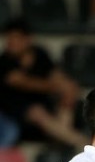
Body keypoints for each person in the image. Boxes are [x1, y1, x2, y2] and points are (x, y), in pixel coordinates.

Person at [0, 18, 88, 149]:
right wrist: (55, 86)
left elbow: (55, 74)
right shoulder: (4, 61)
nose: (12, 42)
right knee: (37, 112)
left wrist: (66, 86)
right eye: (9, 38)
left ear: (27, 39)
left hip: (45, 109)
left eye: (16, 38)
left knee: (68, 89)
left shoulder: (39, 54)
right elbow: (24, 83)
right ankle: (82, 142)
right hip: (15, 115)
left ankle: (62, 137)